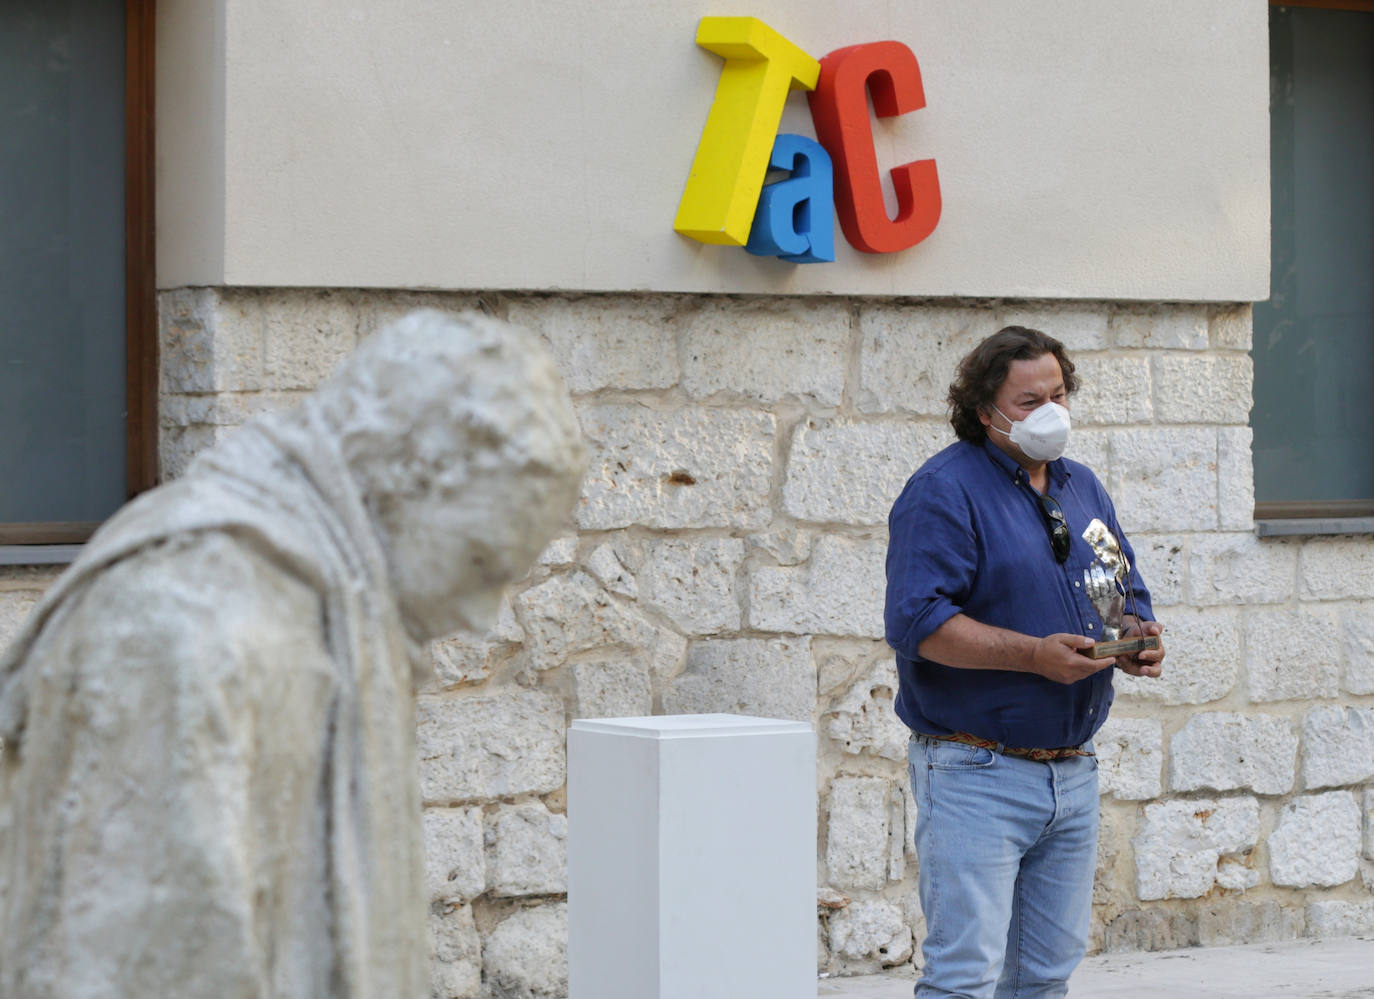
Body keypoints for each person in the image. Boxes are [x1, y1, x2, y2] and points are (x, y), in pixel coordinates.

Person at [0, 310, 586, 998]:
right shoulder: (186, 623)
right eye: (479, 561)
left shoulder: (331, 607)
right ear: (403, 478)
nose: (482, 617)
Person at [884, 326, 1165, 999]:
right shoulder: (943, 491)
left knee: (1043, 976)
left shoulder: (1083, 486)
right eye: (1029, 399)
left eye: (1059, 394)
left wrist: (1135, 633)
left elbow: (1125, 585)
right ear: (985, 411)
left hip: (1070, 773)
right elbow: (917, 623)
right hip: (975, 770)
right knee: (964, 977)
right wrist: (1032, 657)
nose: (1051, 412)